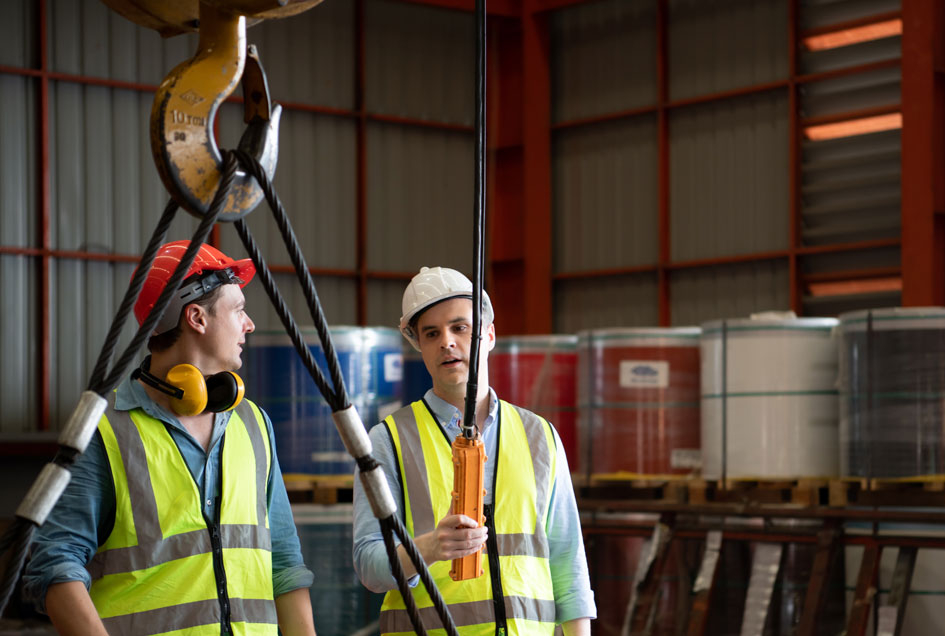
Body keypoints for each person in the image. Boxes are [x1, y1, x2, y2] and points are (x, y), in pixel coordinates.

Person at [23, 240, 316, 636]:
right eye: (239, 310)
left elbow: (284, 564)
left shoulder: (253, 423)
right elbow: (55, 563)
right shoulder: (106, 430)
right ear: (196, 317)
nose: (248, 324)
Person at [352, 266, 595, 636]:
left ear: (489, 334)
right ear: (419, 345)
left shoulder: (539, 435)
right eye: (431, 333)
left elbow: (567, 563)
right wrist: (429, 547)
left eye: (460, 327)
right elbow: (370, 566)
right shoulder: (388, 440)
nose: (447, 342)